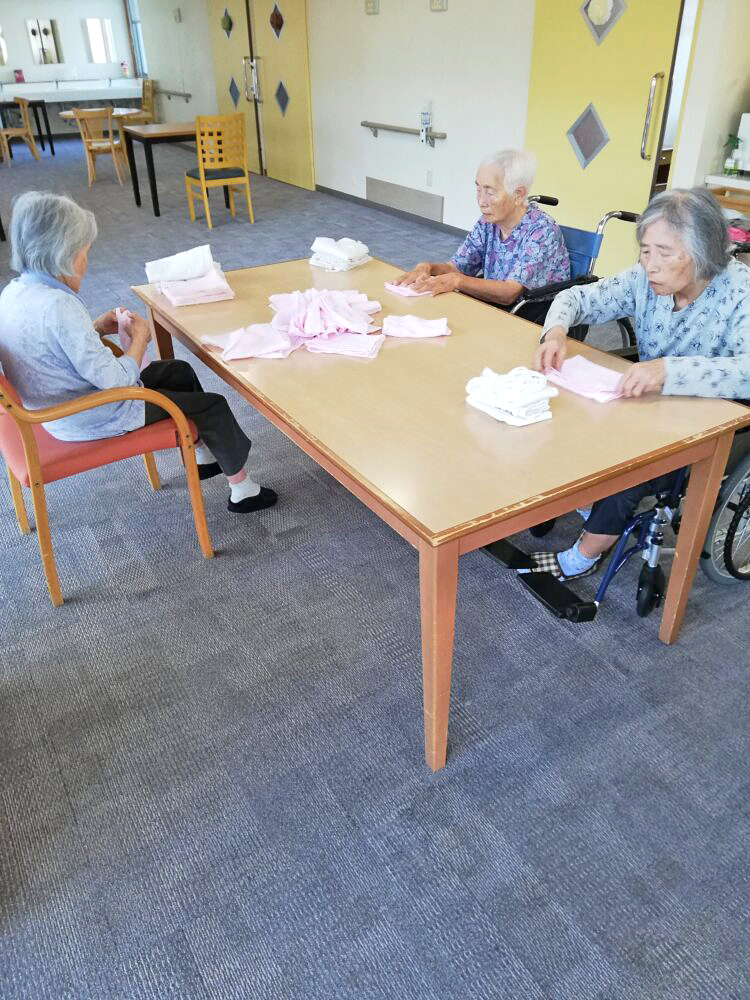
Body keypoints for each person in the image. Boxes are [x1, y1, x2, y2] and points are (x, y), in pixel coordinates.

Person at [0, 191, 276, 513]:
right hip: (92, 413)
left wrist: (94, 329)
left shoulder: (13, 293)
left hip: (57, 406)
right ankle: (243, 490)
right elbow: (116, 381)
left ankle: (203, 456)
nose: (86, 264)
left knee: (178, 371)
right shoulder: (59, 306)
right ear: (63, 255)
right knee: (213, 406)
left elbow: (47, 348)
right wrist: (140, 340)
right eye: (84, 254)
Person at [524, 187, 750, 582]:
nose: (651, 265)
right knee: (565, 417)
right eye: (645, 250)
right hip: (646, 404)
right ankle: (585, 502)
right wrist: (555, 332)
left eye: (664, 253)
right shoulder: (642, 278)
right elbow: (577, 298)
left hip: (710, 425)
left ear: (703, 253)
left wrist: (669, 371)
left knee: (625, 468)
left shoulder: (739, 292)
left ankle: (583, 556)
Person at [392, 148, 570, 305]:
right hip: (497, 306)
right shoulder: (487, 223)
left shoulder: (542, 231)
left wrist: (457, 281)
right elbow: (457, 267)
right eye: (478, 190)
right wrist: (428, 268)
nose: (481, 201)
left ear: (518, 195)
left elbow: (509, 293)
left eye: (490, 192)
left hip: (530, 314)